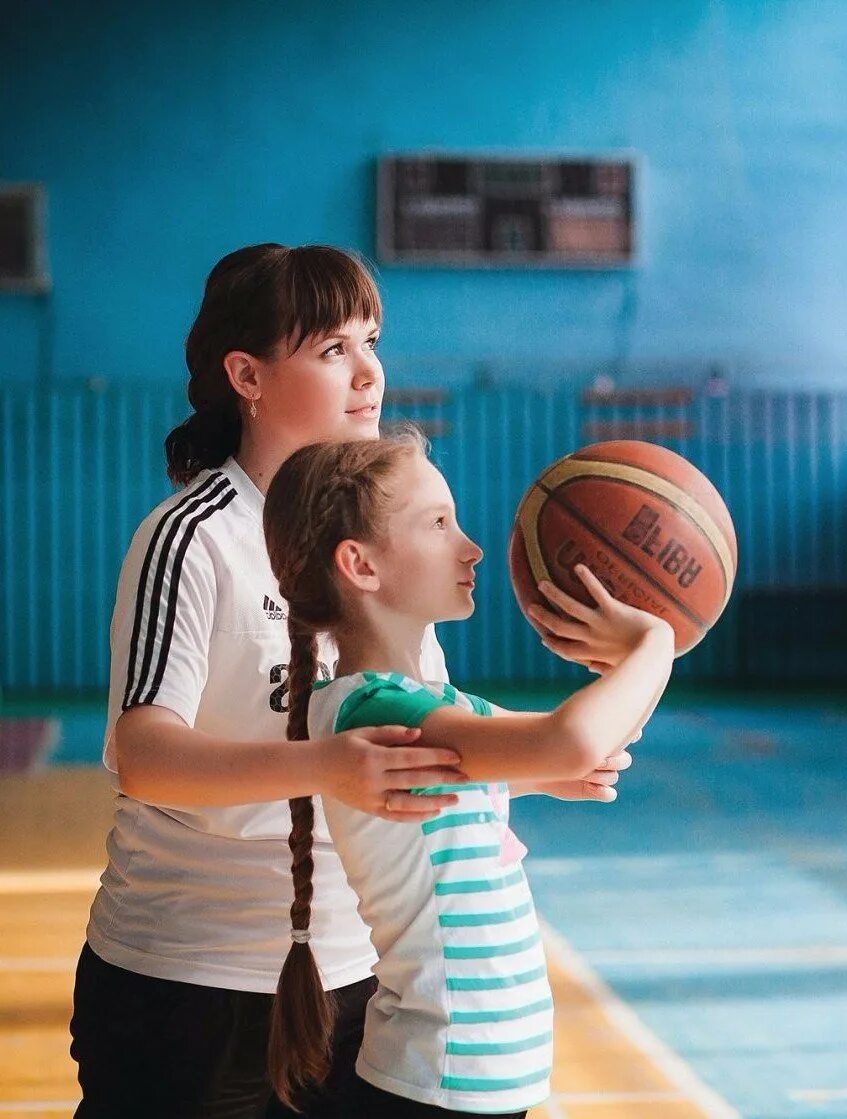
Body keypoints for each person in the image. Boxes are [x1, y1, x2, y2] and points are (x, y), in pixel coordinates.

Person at [69, 243, 629, 1118]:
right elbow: (144, 754)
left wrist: (527, 763)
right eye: (333, 349)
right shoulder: (192, 535)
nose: (368, 372)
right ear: (246, 375)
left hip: (361, 973)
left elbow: (406, 734)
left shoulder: (383, 545)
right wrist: (325, 765)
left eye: (372, 341)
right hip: (191, 983)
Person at [260, 431, 673, 1117]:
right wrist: (655, 639)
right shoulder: (373, 704)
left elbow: (593, 743)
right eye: (438, 522)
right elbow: (571, 740)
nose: (472, 546)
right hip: (437, 1080)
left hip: (466, 1078)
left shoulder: (440, 702)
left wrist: (613, 674)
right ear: (360, 564)